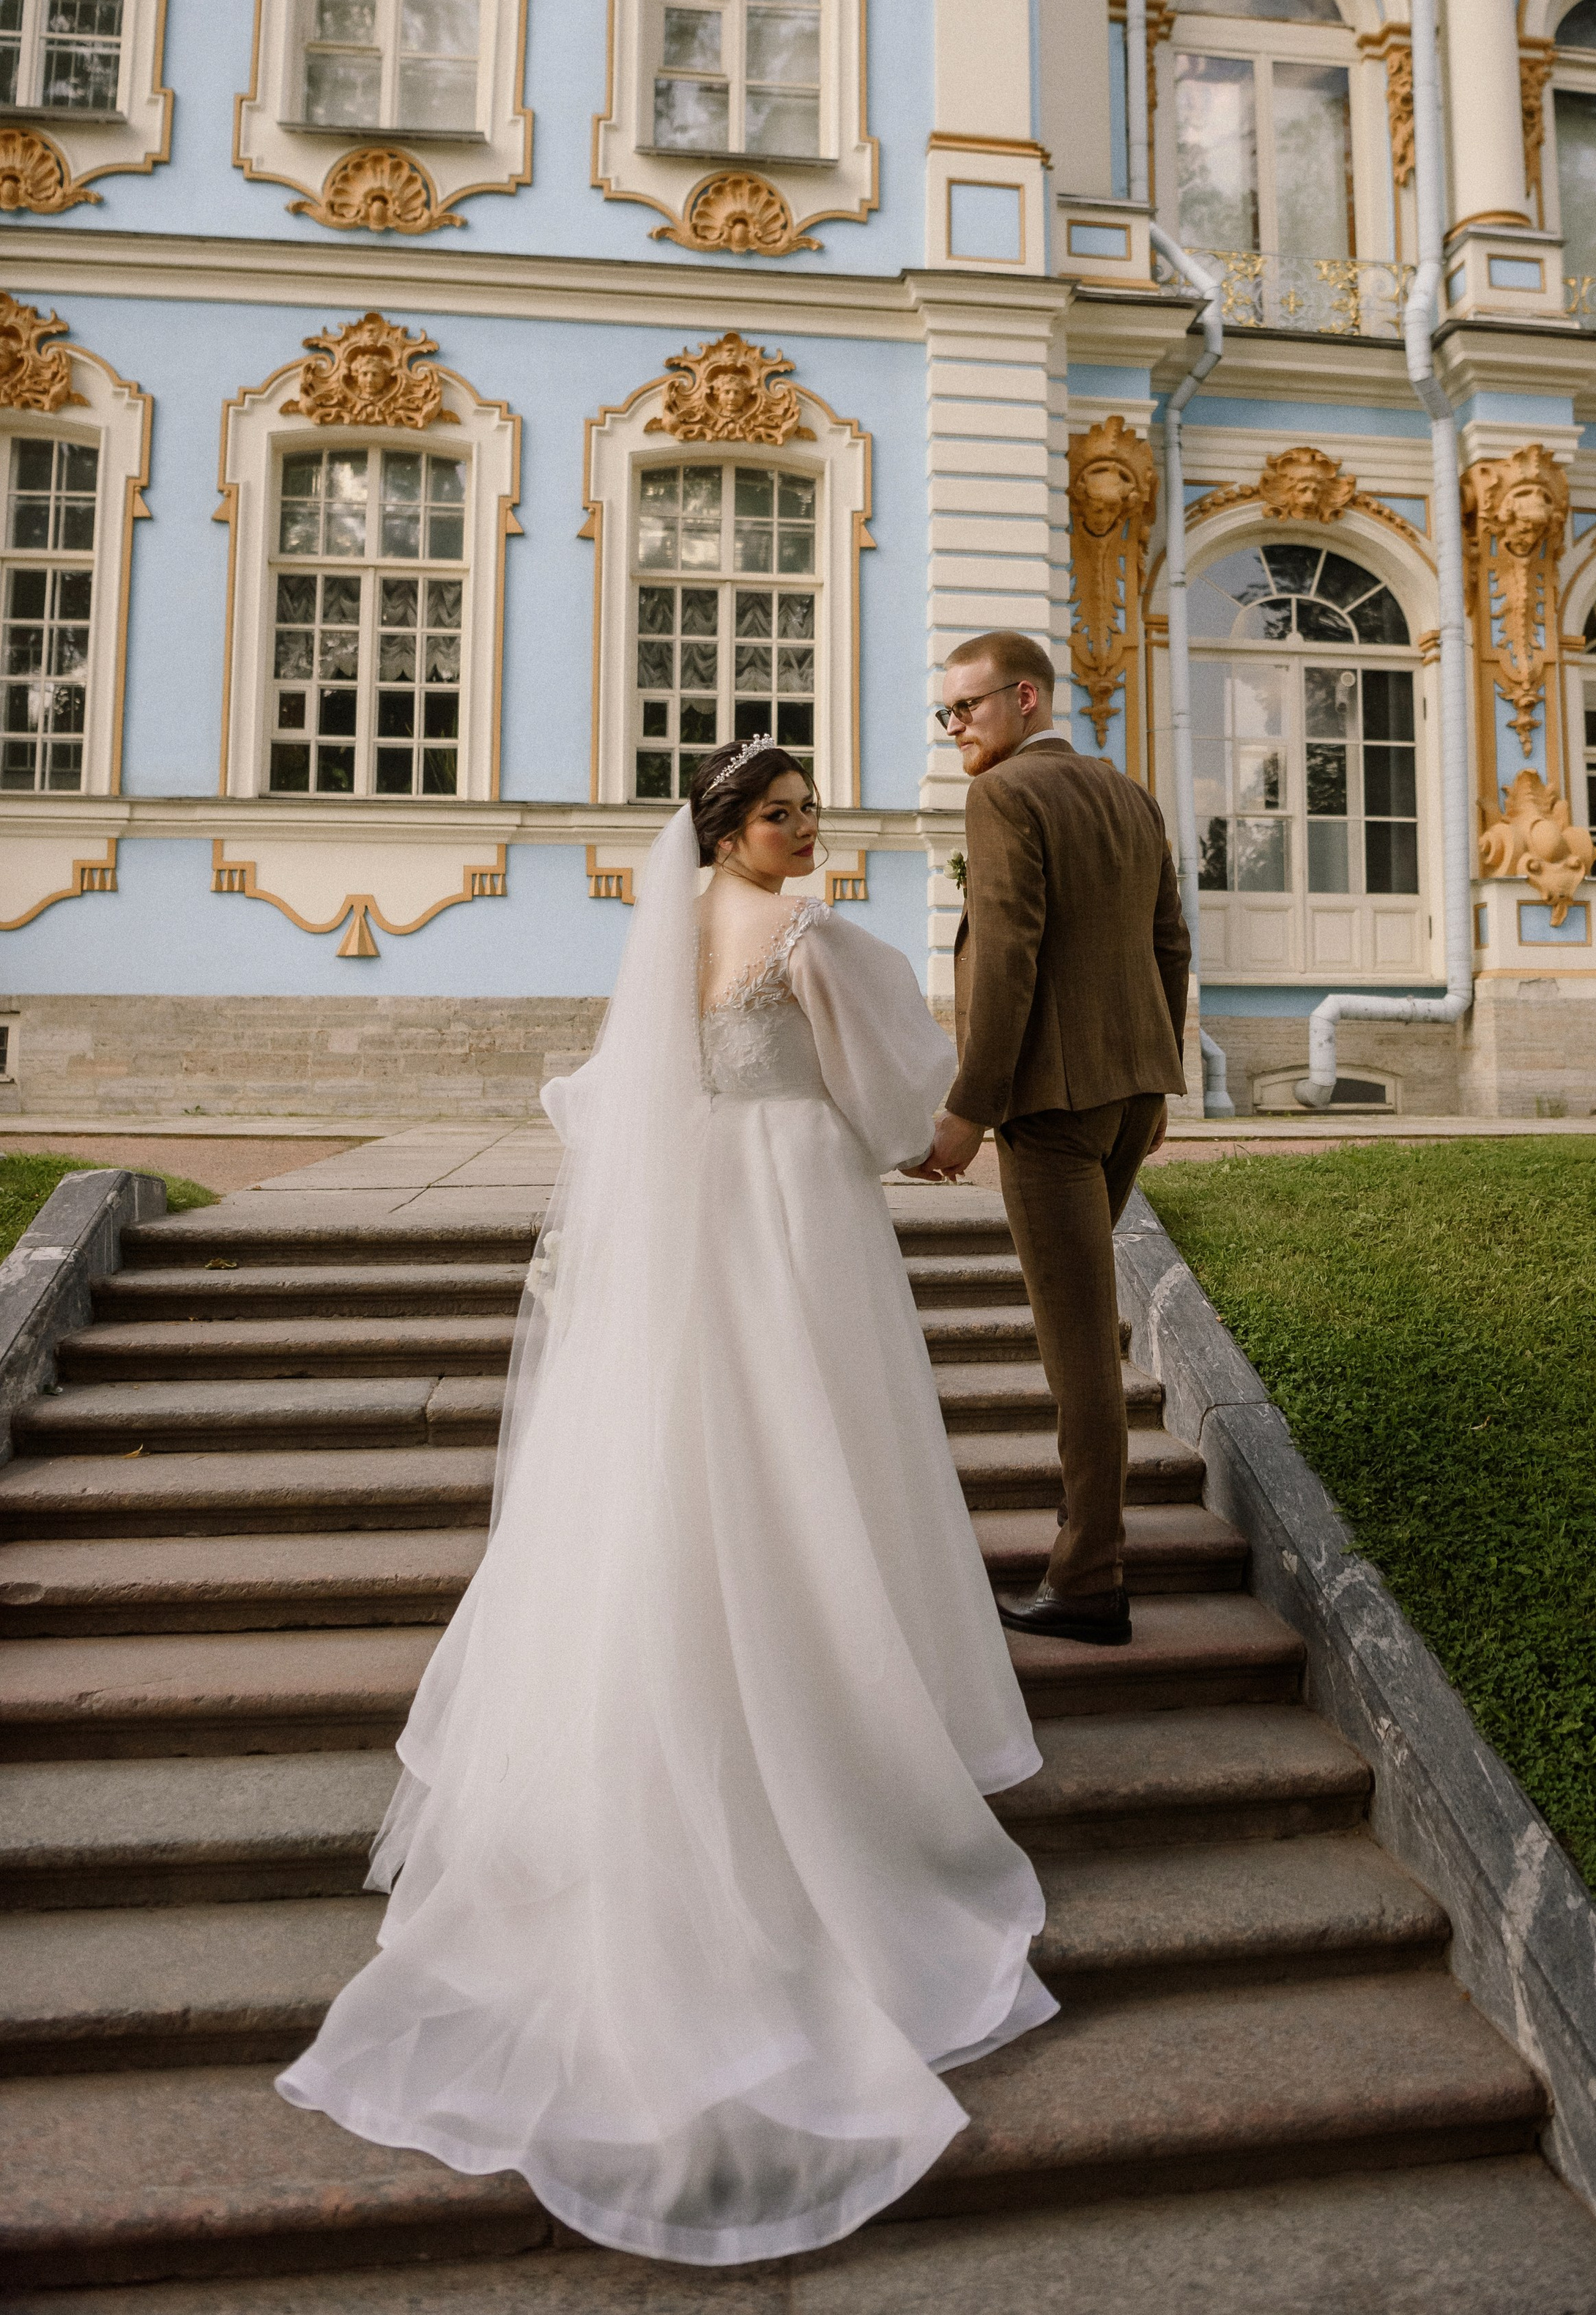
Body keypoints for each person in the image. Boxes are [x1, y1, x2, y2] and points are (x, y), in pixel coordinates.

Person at [277, 739, 1055, 2264]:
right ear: (727, 826)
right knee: (817, 1442)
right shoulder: (810, 933)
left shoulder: (666, 924)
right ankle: (834, 1712)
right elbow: (888, 1088)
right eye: (781, 813)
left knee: (704, 1444)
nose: (805, 828)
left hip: (695, 1201)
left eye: (810, 809)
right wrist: (937, 1137)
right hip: (795, 1213)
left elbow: (624, 1082)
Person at [914, 632, 1190, 1650]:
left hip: (1050, 1108)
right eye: (947, 715)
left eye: (969, 709)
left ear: (1025, 698)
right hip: (1126, 1096)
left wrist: (968, 1108)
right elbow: (1170, 945)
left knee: (1078, 1352)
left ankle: (1088, 1579)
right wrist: (1160, 1084)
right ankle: (1091, 1563)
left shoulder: (1005, 799)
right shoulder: (1128, 795)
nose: (956, 731)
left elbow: (1012, 957)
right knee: (1080, 1334)